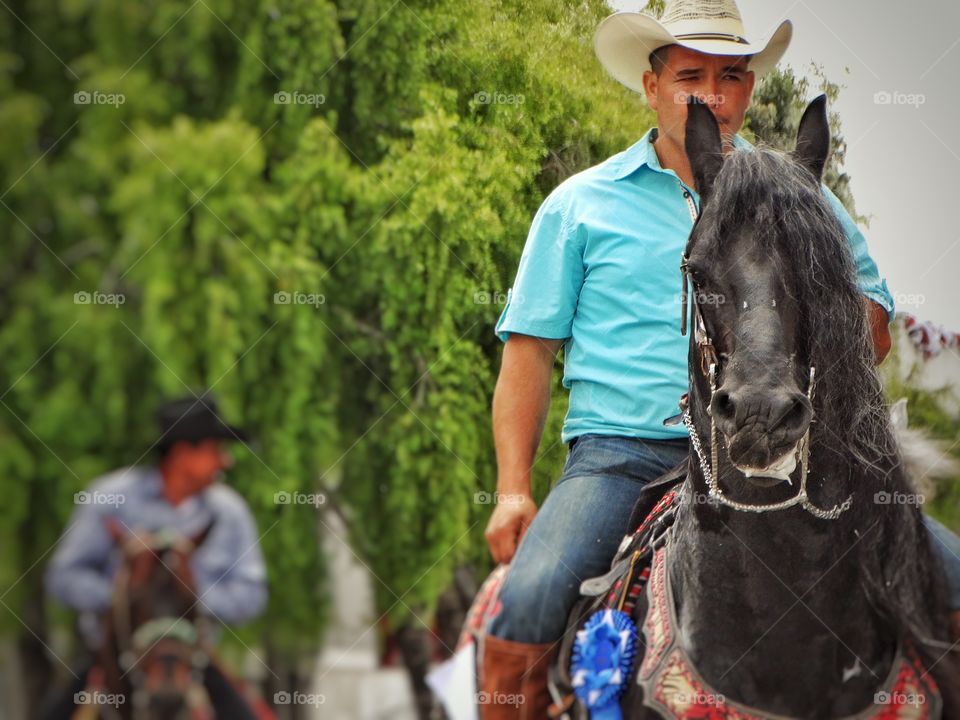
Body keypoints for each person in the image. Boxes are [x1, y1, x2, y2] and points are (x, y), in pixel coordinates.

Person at [480, 1, 960, 717]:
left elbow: (874, 331)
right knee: (531, 595)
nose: (712, 93)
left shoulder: (807, 201)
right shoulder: (579, 206)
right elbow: (530, 352)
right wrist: (514, 488)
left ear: (748, 91)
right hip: (623, 454)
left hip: (793, 451)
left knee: (952, 578)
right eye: (689, 75)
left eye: (731, 76)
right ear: (651, 87)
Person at [43, 393, 267, 719]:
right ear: (182, 452)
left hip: (195, 661)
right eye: (215, 450)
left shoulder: (231, 513)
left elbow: (253, 593)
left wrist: (187, 597)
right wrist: (125, 599)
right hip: (112, 662)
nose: (225, 461)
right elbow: (63, 576)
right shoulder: (109, 498)